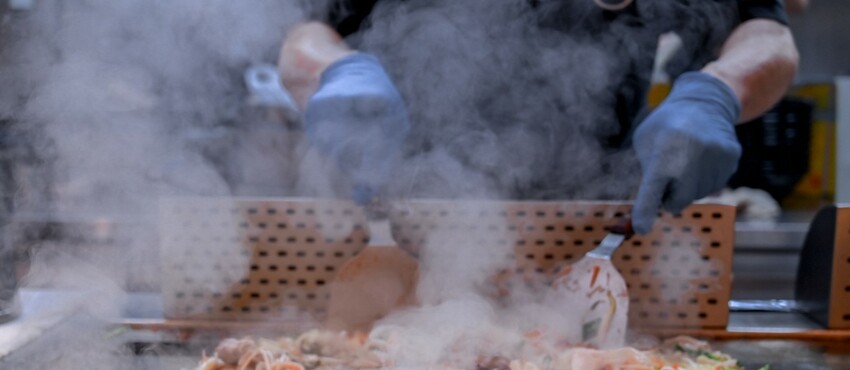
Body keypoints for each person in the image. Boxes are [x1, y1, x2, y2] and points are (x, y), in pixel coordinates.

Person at [278, 0, 798, 234]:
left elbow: (767, 34)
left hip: (602, 231)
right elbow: (307, 35)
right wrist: (337, 73)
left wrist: (720, 90)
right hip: (408, 224)